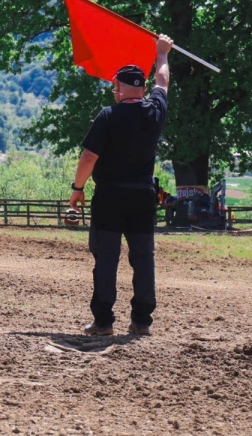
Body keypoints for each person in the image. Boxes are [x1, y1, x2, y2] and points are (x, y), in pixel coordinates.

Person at [69, 35, 172, 337]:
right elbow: (163, 82)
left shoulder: (108, 116)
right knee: (143, 258)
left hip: (110, 197)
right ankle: (141, 320)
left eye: (115, 86)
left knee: (106, 259)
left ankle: (103, 321)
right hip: (143, 197)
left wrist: (77, 189)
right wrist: (162, 53)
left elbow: (89, 156)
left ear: (124, 88)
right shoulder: (155, 111)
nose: (114, 91)